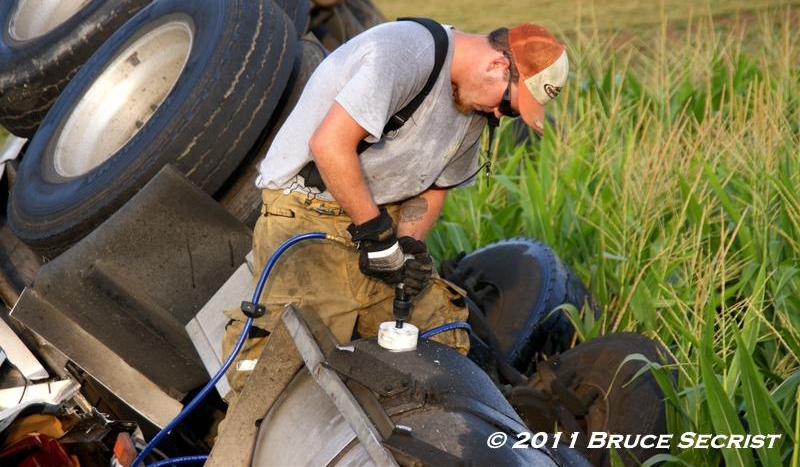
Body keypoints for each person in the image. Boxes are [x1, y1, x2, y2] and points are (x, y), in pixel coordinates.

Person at [223, 19, 569, 392]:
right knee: (283, 369)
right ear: (497, 66)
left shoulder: (475, 105)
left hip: (377, 220)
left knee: (442, 337)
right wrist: (377, 238)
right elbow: (329, 145)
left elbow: (435, 184)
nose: (500, 115)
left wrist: (407, 245)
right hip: (308, 215)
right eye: (508, 105)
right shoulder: (405, 52)